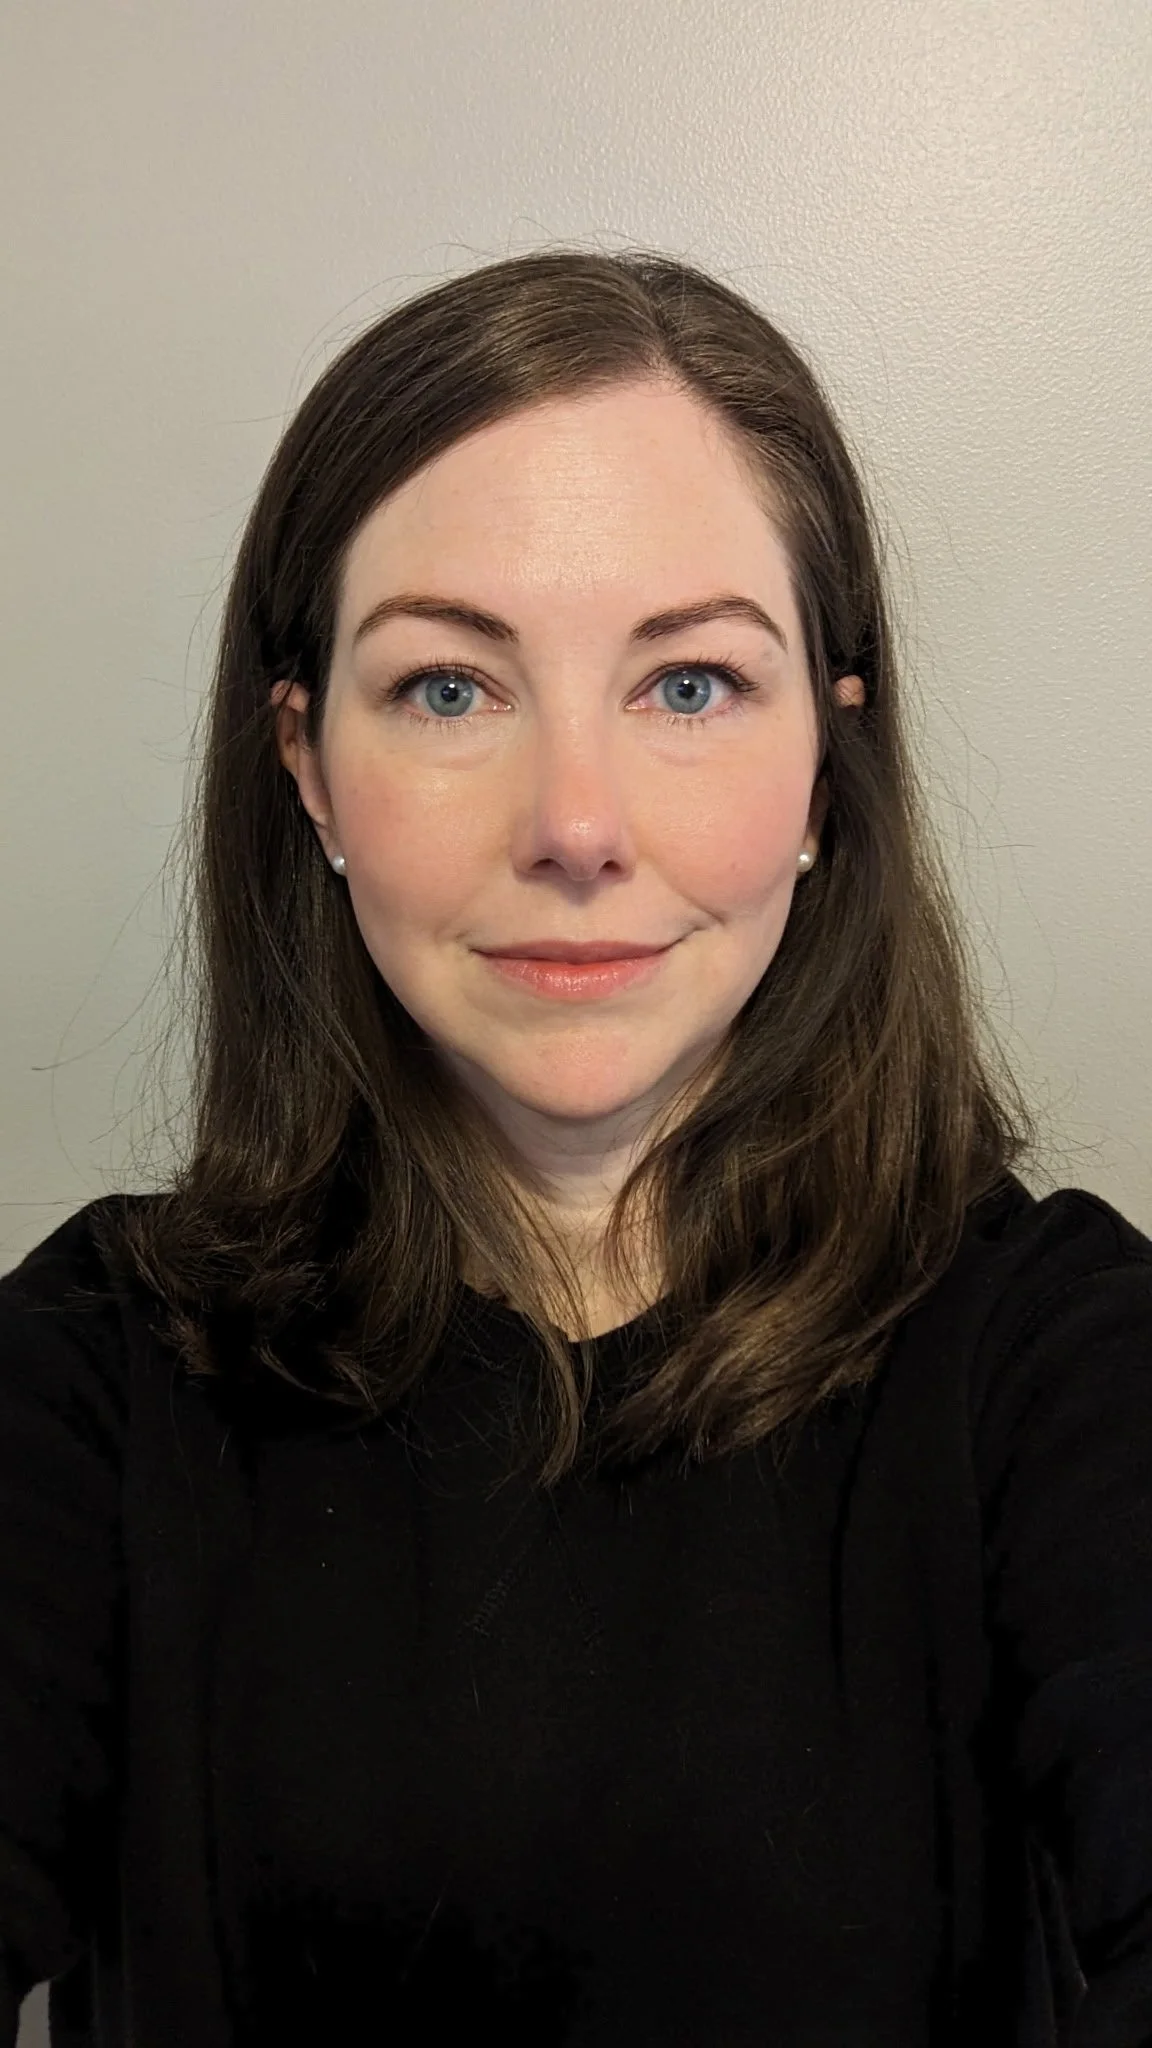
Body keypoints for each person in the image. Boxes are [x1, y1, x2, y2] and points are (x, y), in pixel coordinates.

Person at [1, 247, 1149, 2048]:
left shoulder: (1060, 1360)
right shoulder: (92, 1374)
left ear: (828, 761)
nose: (578, 827)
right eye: (449, 690)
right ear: (306, 765)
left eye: (688, 686)